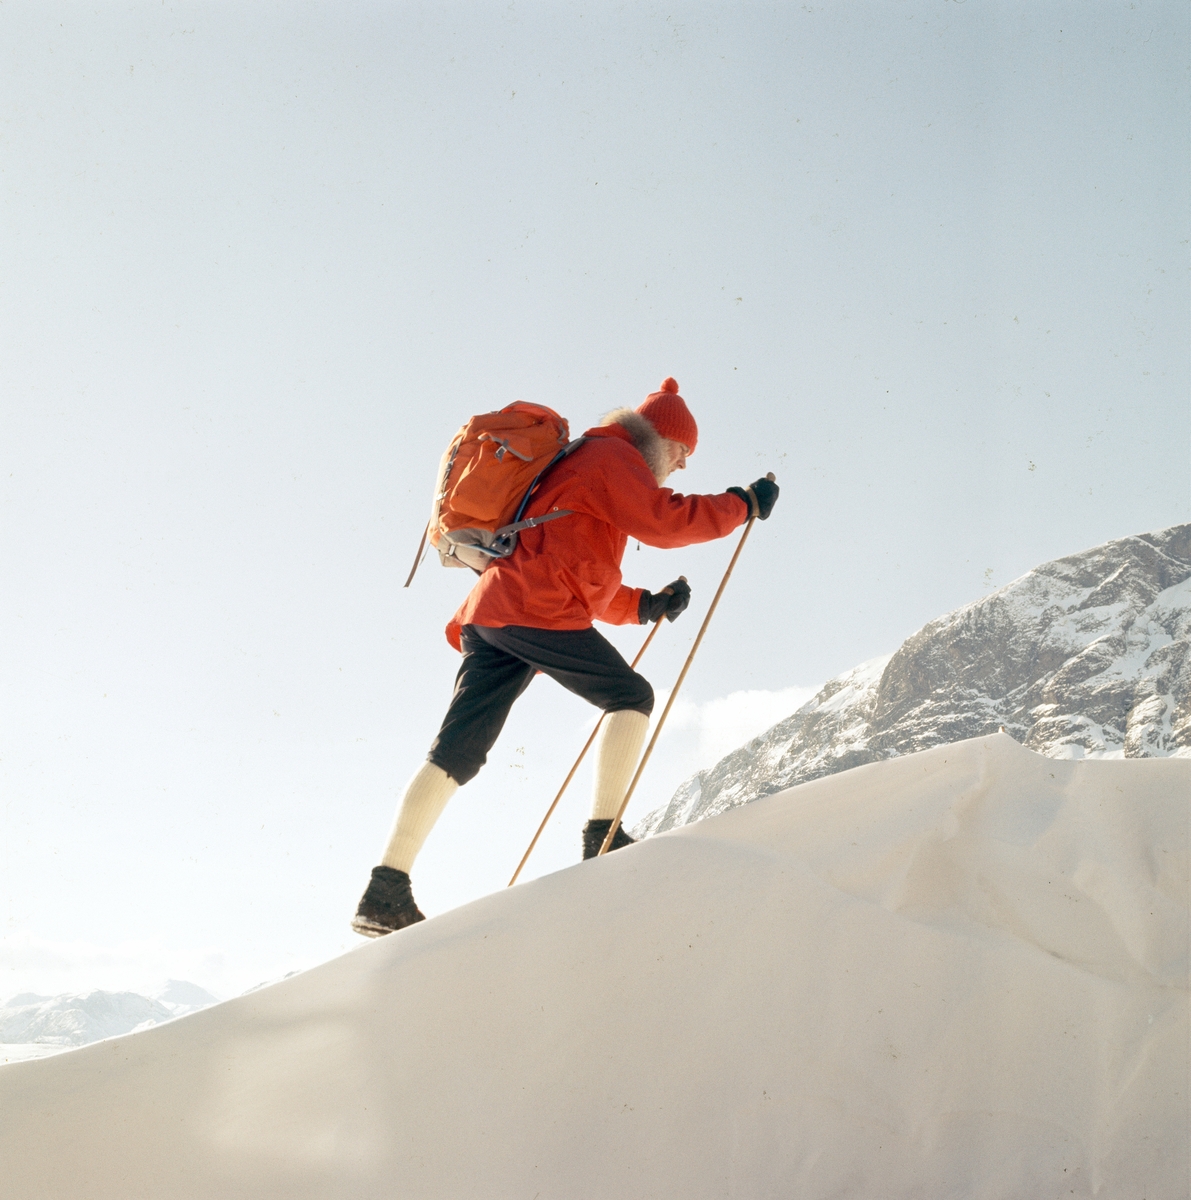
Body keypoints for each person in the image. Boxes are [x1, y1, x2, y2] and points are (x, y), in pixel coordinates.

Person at [351, 377, 779, 936]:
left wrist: (644, 605)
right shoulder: (612, 457)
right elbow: (666, 521)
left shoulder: (590, 461)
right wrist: (741, 504)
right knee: (631, 696)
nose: (680, 467)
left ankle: (385, 890)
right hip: (533, 609)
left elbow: (582, 573)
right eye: (680, 452)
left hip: (495, 612)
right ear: (656, 437)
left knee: (458, 748)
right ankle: (603, 837)